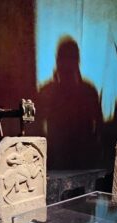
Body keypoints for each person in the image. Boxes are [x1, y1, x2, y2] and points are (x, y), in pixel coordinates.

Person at [37, 36, 103, 169]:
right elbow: (38, 125)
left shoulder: (88, 91)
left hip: (81, 160)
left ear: (77, 60)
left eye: (70, 58)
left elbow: (99, 126)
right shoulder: (48, 91)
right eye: (64, 58)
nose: (66, 63)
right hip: (58, 160)